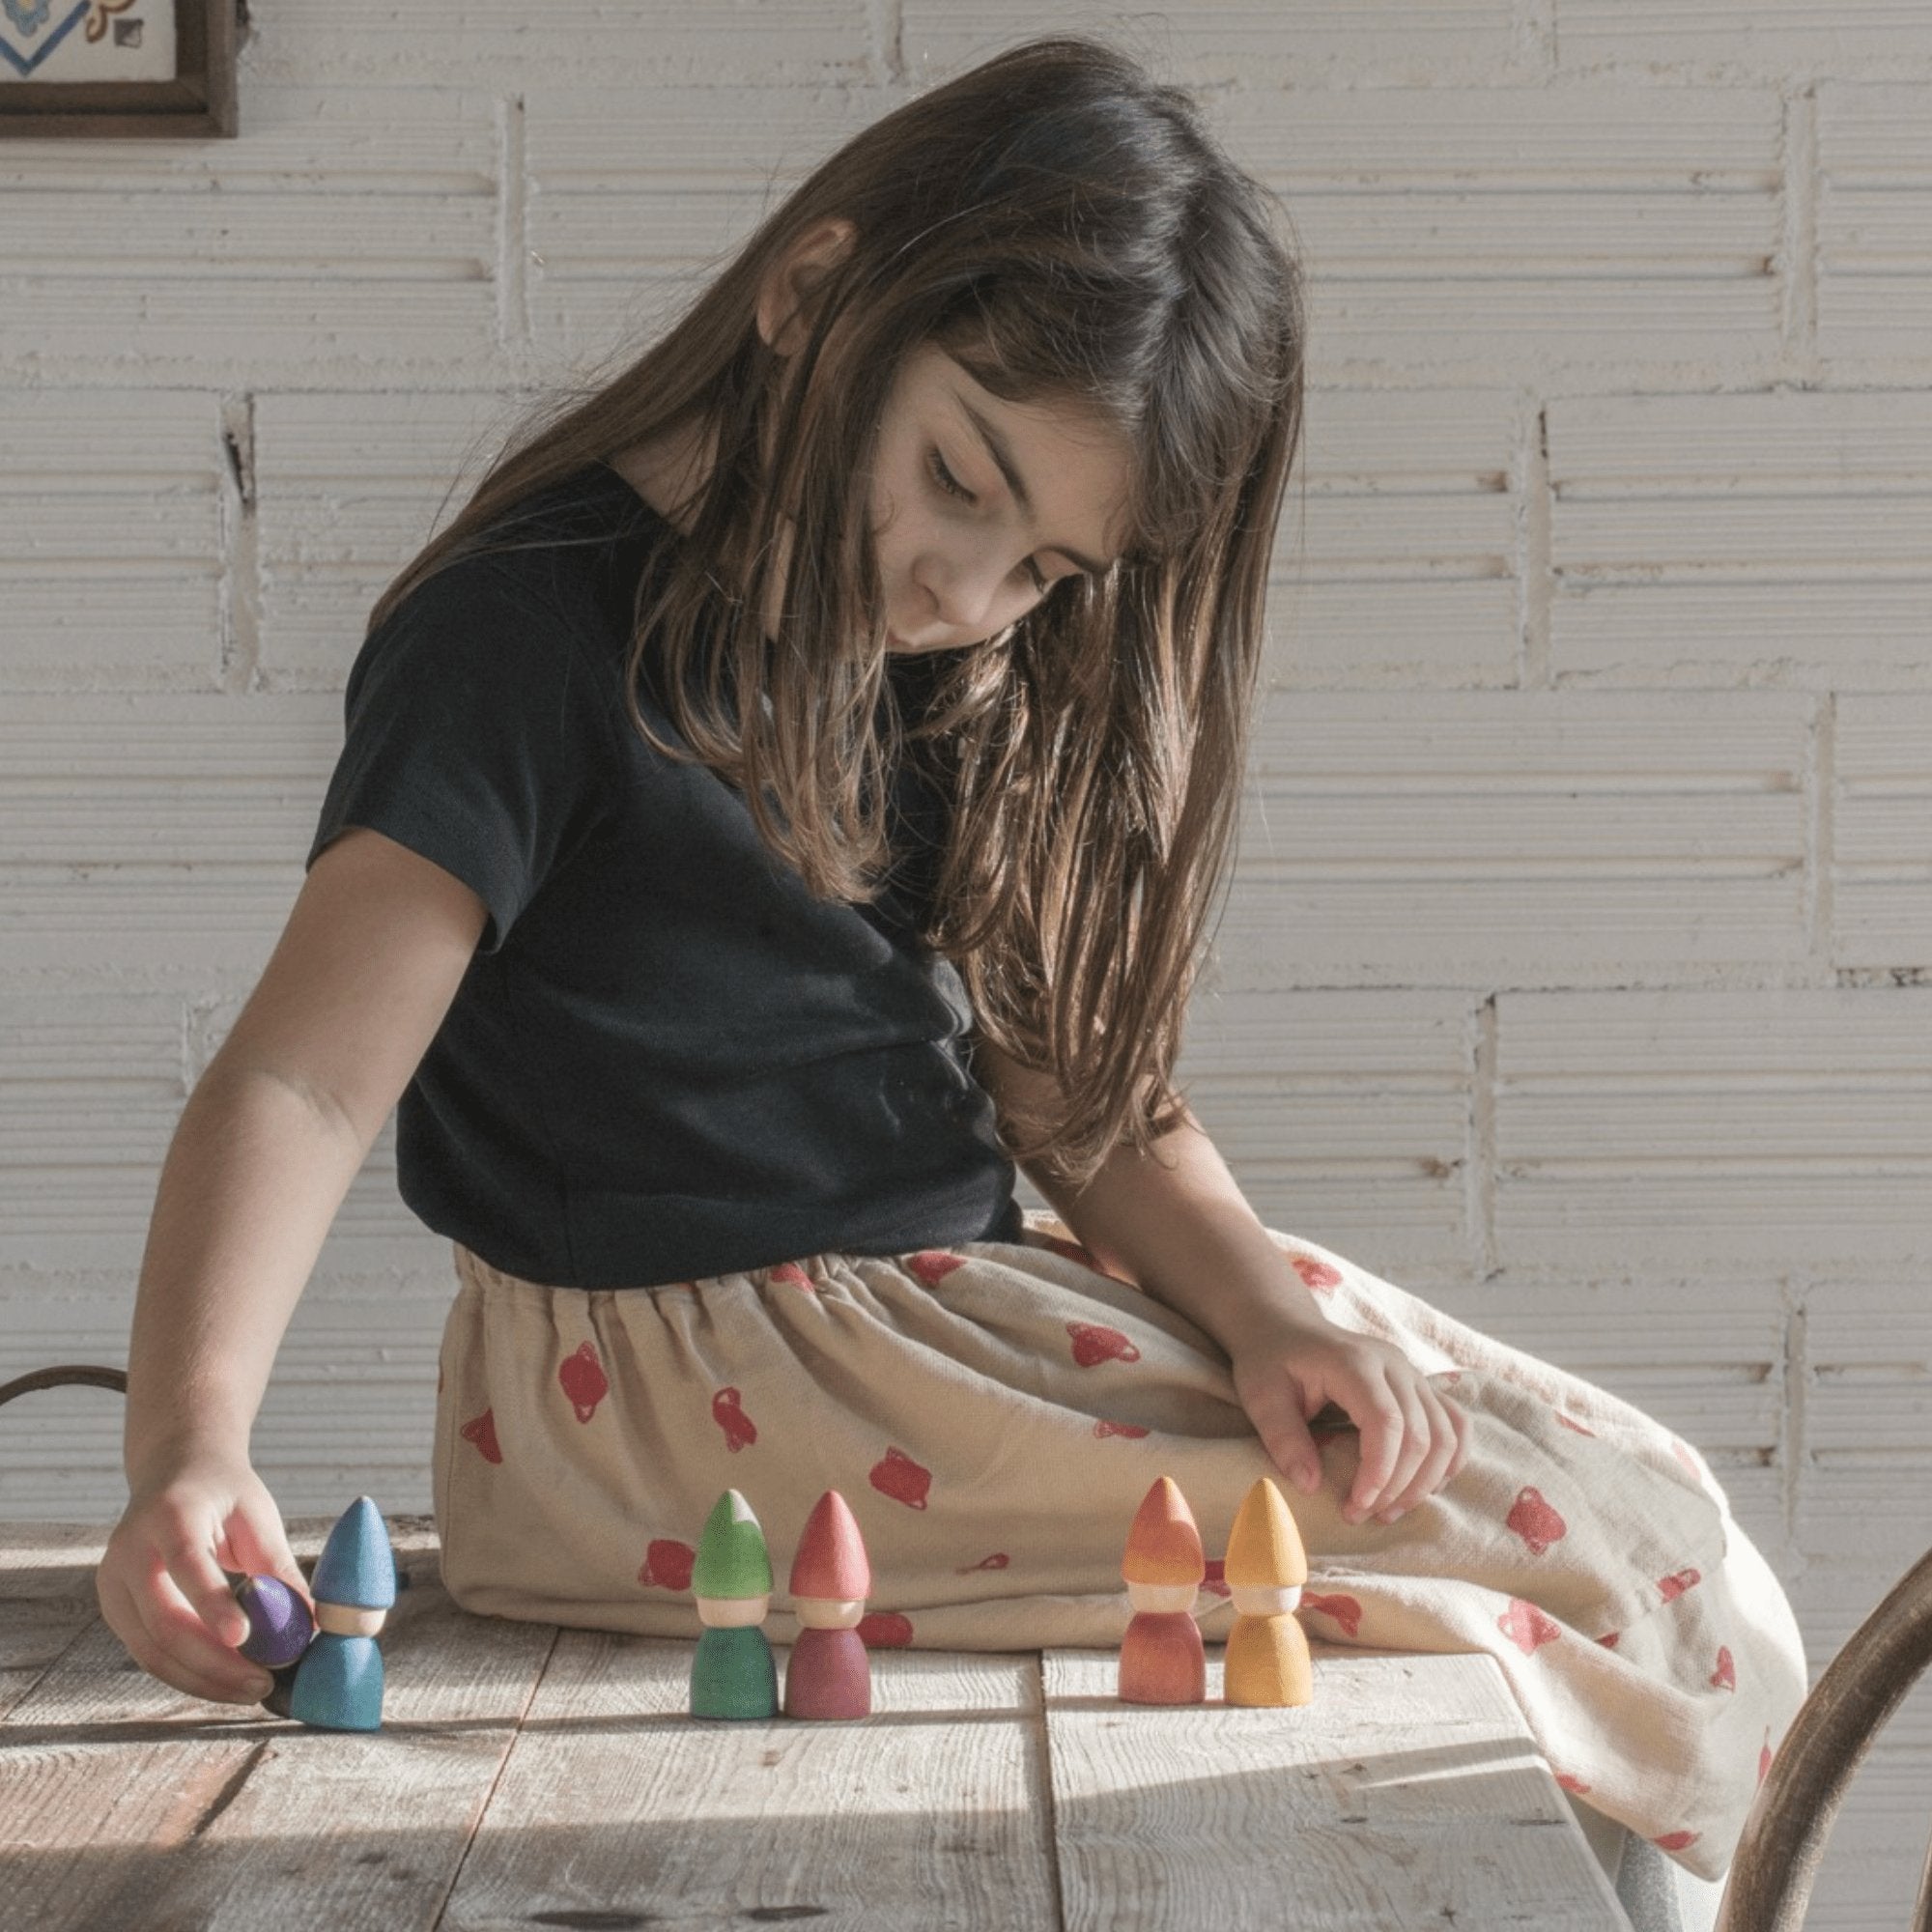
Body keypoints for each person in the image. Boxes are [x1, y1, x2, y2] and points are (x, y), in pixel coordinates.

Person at [95, 32, 1804, 1909]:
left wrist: (1258, 1310)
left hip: (932, 1322)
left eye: (1048, 569)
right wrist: (189, 1446)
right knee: (1548, 1565)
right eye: (954, 481)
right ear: (814, 295)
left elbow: (1070, 1088)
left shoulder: (929, 660)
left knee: (1648, 1517)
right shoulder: (521, 638)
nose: (966, 596)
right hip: (674, 1404)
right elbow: (304, 1081)